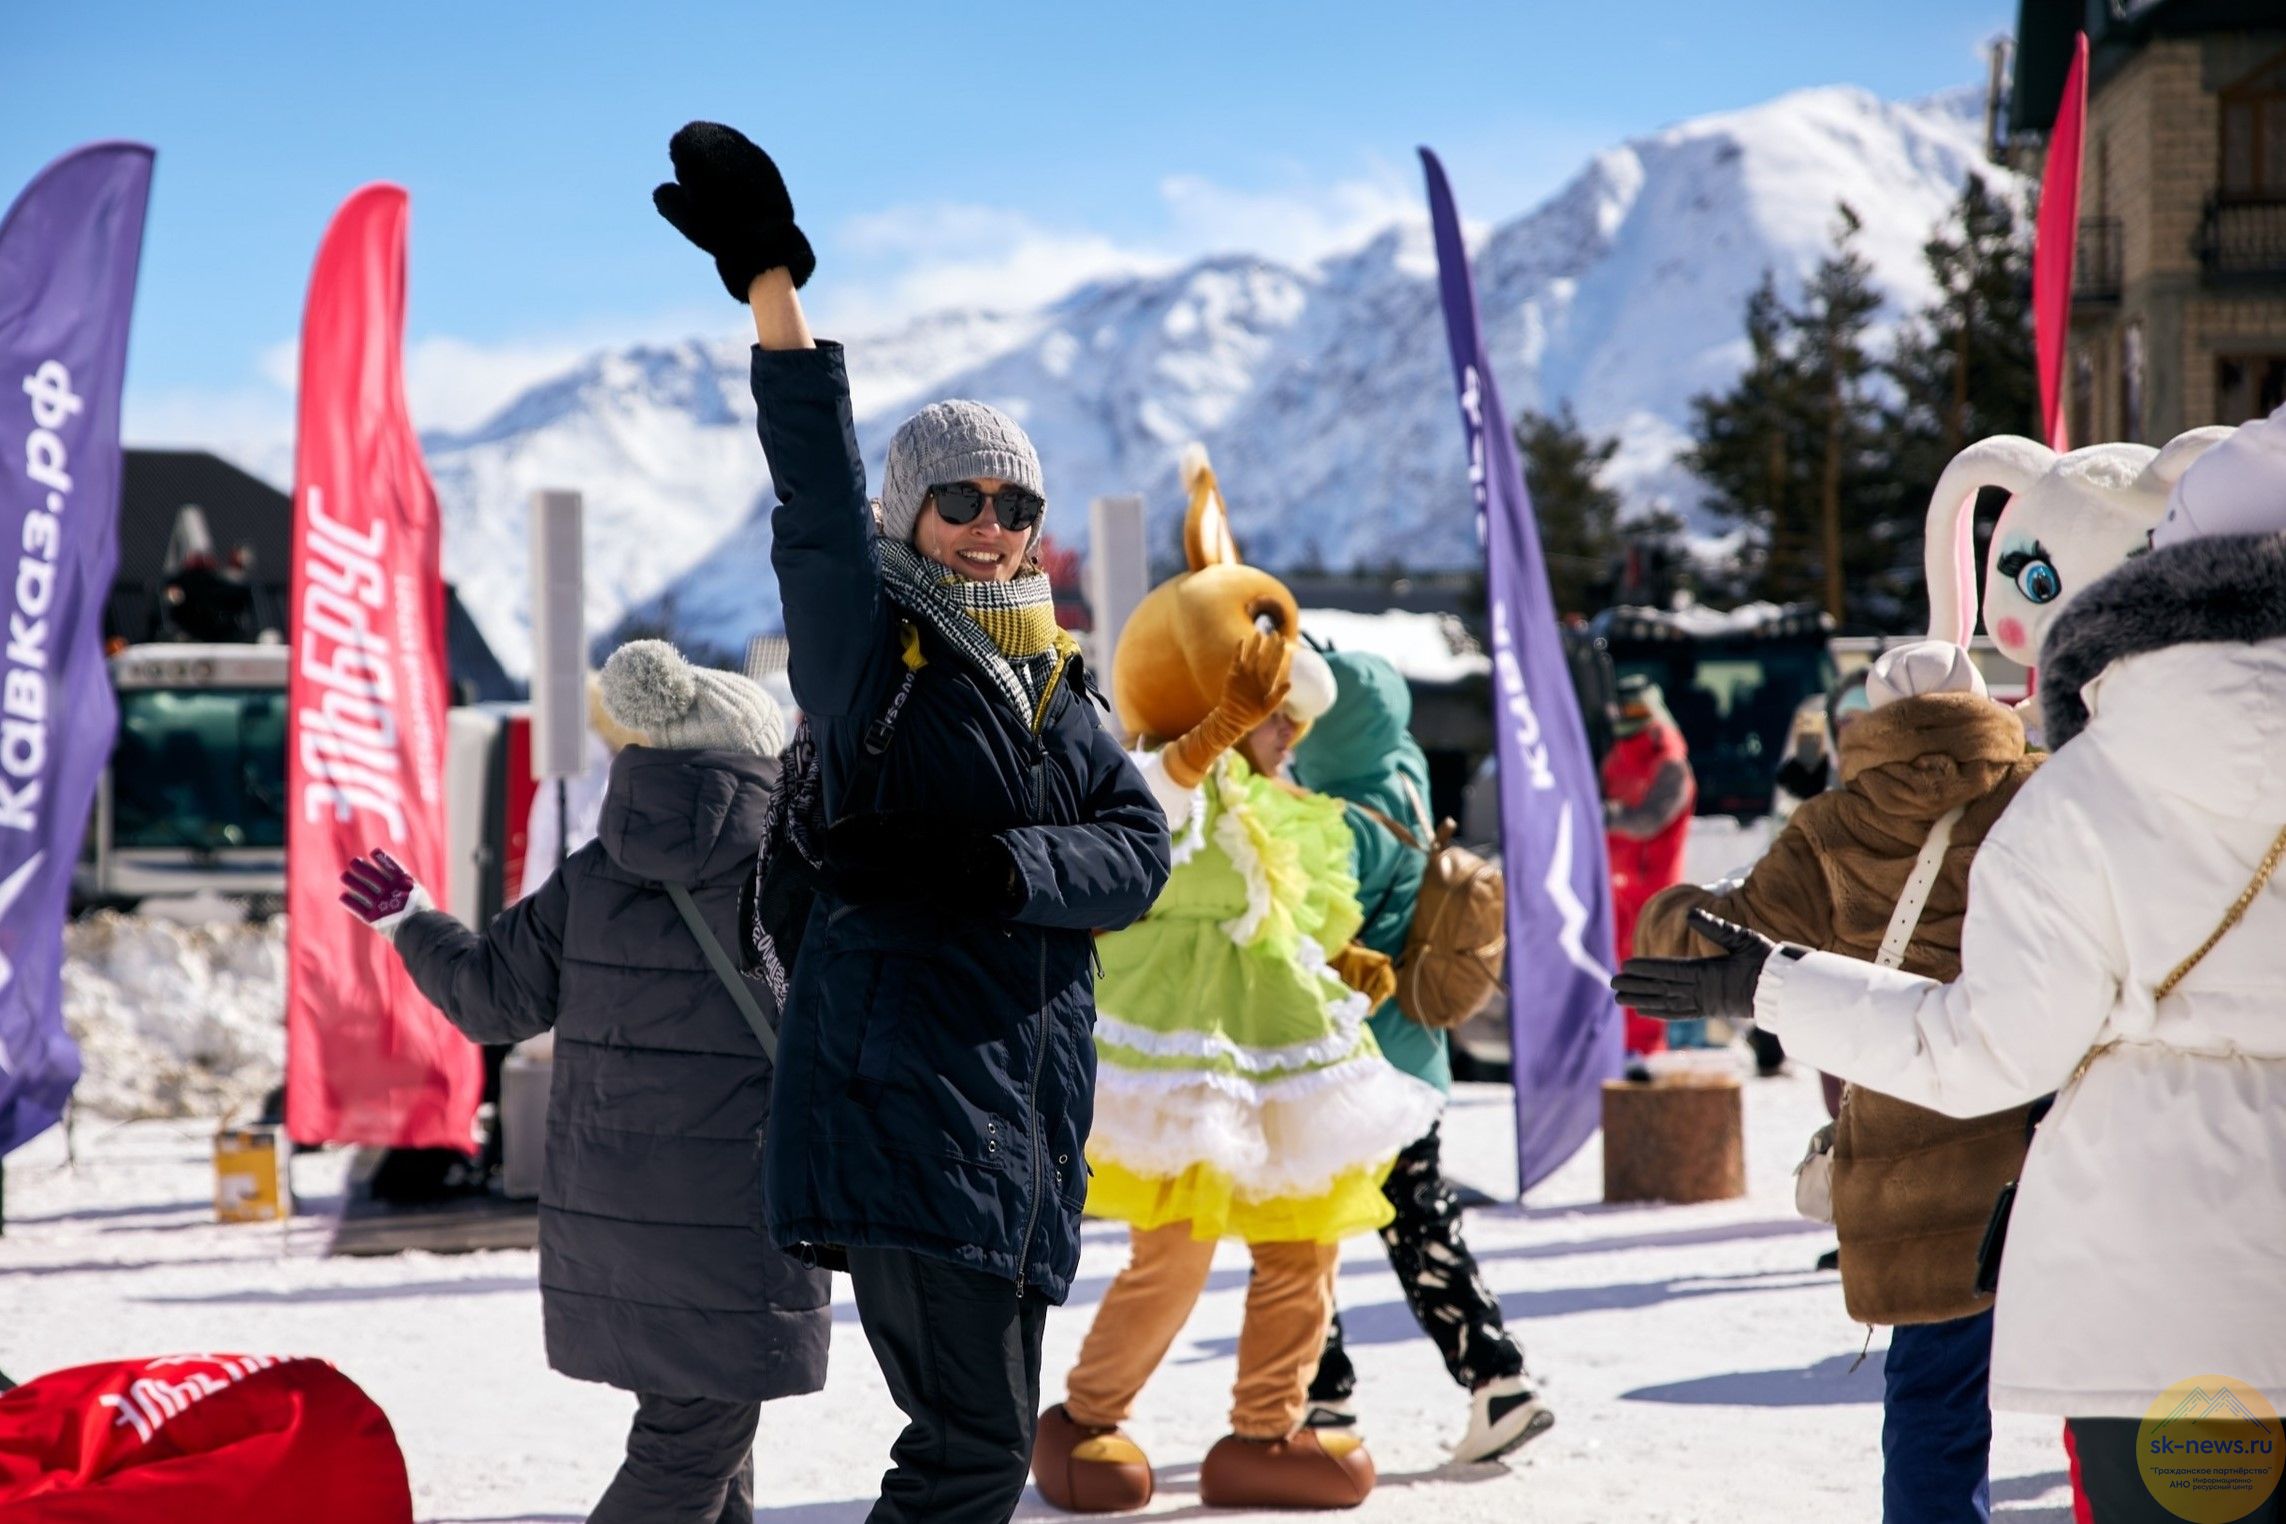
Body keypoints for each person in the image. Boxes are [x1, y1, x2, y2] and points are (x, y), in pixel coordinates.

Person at [1614, 407, 2286, 1524]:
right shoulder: (2045, 788)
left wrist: (1765, 985)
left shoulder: (2081, 799)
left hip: (2153, 1270)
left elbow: (1981, 1048)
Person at [650, 123, 1172, 1524]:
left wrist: (986, 866)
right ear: (910, 510)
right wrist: (772, 287)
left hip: (1021, 1113)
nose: (989, 527)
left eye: (1014, 504)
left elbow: (1136, 855)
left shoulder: (1049, 677)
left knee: (977, 1452)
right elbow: (810, 502)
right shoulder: (868, 646)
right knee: (969, 1453)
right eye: (959, 500)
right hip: (902, 1100)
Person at [1030, 452, 1439, 1513]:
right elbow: (1145, 829)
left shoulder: (1275, 799)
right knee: (1174, 1256)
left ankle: (1268, 1431)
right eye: (1273, 716)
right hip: (1184, 1056)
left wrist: (1338, 963)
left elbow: (1284, 913)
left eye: (1289, 720)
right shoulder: (1155, 775)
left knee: (1304, 1251)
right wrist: (1210, 737)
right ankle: (1086, 1421)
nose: (1289, 735)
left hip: (1281, 1056)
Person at [337, 639, 827, 1524]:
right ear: (756, 757)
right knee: (691, 1449)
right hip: (734, 1217)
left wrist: (413, 920)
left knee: (710, 1437)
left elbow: (491, 1000)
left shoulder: (595, 874)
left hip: (608, 1209)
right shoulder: (788, 876)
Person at [1634, 640, 2039, 1524]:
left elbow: (1717, 933)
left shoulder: (1835, 824)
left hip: (1914, 1148)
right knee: (2115, 1392)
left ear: (1871, 717)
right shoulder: (2041, 794)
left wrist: (1661, 911)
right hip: (2051, 1133)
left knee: (1935, 1404)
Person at [1289, 649, 1553, 1464]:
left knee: (1303, 1230)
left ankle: (1322, 1401)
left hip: (1349, 1067)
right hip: (1416, 1058)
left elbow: (1304, 935)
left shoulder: (1342, 825)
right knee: (1420, 1220)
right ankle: (1497, 1379)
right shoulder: (1401, 779)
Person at [1603, 674, 1696, 1062]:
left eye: (1637, 709)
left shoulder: (1671, 764)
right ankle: (1615, 1047)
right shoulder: (1617, 755)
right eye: (1624, 709)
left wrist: (1608, 815)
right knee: (1611, 965)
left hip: (1651, 886)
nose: (1629, 717)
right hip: (1615, 885)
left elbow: (1651, 819)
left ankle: (1644, 1051)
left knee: (1645, 967)